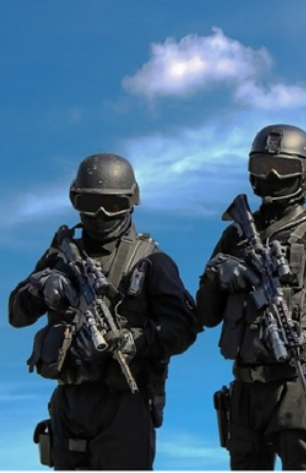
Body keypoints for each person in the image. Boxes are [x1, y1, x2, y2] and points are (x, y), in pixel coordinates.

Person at [8, 153, 199, 470]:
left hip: (124, 403)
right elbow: (16, 316)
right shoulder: (61, 256)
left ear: (131, 202)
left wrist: (130, 341)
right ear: (75, 201)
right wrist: (40, 287)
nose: (100, 215)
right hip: (69, 402)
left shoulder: (151, 261)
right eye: (90, 203)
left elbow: (182, 329)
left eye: (111, 205)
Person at [196, 124, 306, 471]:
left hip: (298, 387)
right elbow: (205, 315)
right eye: (262, 168)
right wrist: (218, 274)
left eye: (284, 169)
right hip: (245, 390)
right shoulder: (234, 236)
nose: (273, 177)